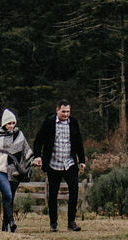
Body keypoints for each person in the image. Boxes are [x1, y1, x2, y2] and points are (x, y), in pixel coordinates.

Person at [29, 99, 86, 231]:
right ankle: (53, 223)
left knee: (74, 191)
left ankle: (71, 222)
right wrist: (37, 156)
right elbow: (38, 141)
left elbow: (78, 143)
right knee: (53, 194)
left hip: (69, 163)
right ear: (57, 110)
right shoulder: (49, 122)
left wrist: (82, 160)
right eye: (63, 111)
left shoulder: (73, 123)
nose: (66, 114)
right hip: (53, 164)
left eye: (68, 112)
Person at [0, 108, 33, 232]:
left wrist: (33, 161)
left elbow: (26, 150)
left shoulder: (19, 135)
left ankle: (5, 226)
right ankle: (12, 221)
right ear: (4, 124)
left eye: (13, 123)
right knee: (7, 194)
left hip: (14, 172)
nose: (11, 126)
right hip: (0, 170)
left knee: (9, 198)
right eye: (9, 123)